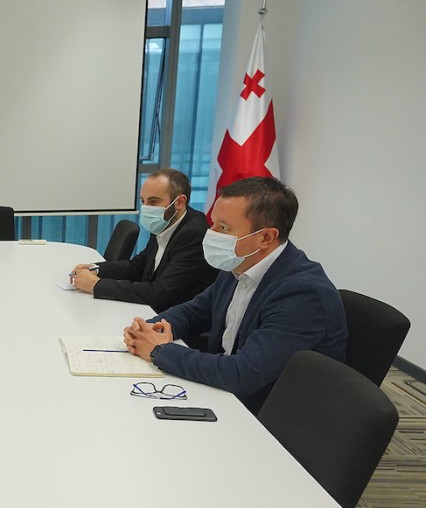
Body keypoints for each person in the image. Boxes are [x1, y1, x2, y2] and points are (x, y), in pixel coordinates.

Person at [122, 177, 346, 414]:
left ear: (266, 237)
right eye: (213, 223)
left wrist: (159, 351)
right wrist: (148, 329)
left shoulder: (302, 294)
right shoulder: (240, 262)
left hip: (268, 414)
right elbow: (194, 311)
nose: (211, 234)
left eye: (224, 228)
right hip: (227, 392)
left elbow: (243, 374)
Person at [70, 168, 217, 312]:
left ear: (179, 202)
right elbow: (138, 266)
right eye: (143, 201)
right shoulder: (164, 221)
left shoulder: (195, 235)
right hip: (150, 309)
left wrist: (97, 285)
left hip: (173, 318)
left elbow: (159, 293)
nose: (146, 208)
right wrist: (96, 269)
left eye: (153, 202)